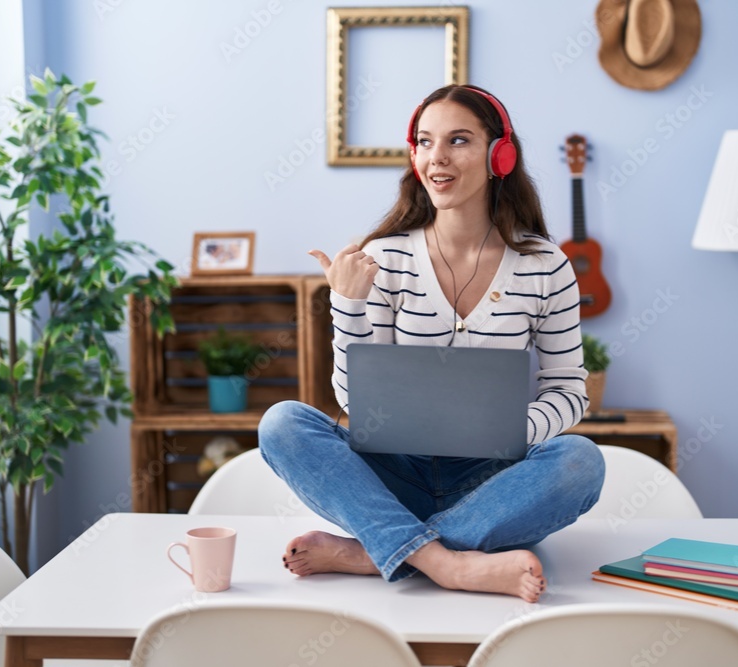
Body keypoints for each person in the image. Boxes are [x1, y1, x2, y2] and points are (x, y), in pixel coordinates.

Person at [258, 84, 605, 603]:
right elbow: (357, 403)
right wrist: (347, 305)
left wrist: (513, 430)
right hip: (395, 471)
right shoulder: (386, 258)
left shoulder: (545, 266)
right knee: (282, 422)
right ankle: (447, 562)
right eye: (424, 142)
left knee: (581, 462)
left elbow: (567, 391)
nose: (436, 158)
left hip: (494, 483)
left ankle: (372, 552)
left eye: (458, 140)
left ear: (499, 155)